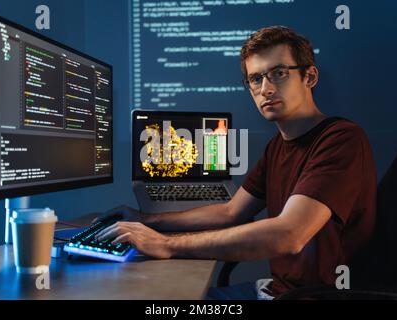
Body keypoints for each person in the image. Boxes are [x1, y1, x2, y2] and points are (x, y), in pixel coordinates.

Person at [94, 26, 377, 299]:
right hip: (276, 290)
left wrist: (167, 245)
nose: (265, 89)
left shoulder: (342, 139)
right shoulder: (277, 147)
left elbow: (289, 234)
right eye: (255, 79)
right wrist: (147, 220)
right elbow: (232, 212)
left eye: (278, 73)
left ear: (309, 76)